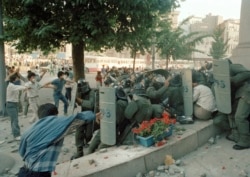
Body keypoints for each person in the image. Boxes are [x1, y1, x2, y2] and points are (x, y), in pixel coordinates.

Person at [18, 103, 100, 177]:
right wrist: (94, 115)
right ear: (55, 115)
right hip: (39, 173)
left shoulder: (29, 130)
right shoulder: (55, 123)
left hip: (24, 171)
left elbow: (22, 152)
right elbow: (78, 118)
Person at [225, 59, 250, 150]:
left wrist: (231, 80)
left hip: (247, 92)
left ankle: (245, 141)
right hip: (239, 94)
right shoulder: (223, 71)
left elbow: (247, 72)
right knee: (231, 113)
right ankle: (236, 136)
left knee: (240, 117)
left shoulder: (232, 66)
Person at [72, 79, 99, 159]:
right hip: (82, 114)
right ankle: (79, 151)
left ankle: (86, 142)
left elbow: (91, 104)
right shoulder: (78, 91)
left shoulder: (92, 93)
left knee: (88, 134)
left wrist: (80, 100)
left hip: (90, 115)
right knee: (78, 133)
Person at [6, 74, 28, 140]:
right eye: (17, 79)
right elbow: (19, 87)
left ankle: (16, 133)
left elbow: (18, 88)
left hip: (14, 104)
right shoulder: (11, 86)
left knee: (14, 120)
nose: (18, 80)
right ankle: (16, 135)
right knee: (14, 120)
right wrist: (26, 87)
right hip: (11, 104)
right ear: (14, 80)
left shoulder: (12, 85)